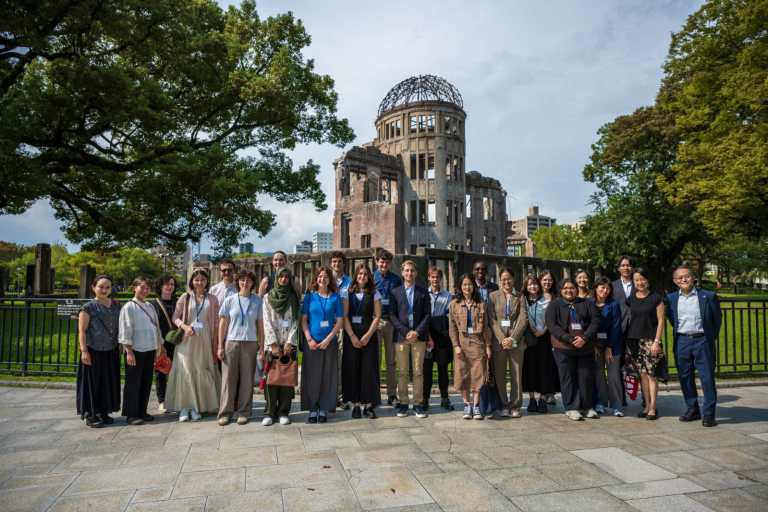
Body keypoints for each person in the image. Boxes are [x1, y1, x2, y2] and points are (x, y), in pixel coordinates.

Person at [667, 265, 722, 427]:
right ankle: (693, 409)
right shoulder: (671, 299)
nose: (683, 279)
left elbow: (716, 320)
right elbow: (672, 319)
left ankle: (709, 414)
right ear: (675, 281)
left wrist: (709, 337)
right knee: (685, 377)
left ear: (693, 278)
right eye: (679, 277)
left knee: (707, 378)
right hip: (682, 341)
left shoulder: (708, 296)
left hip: (702, 340)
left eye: (687, 276)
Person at [167, 269, 221, 422]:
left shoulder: (213, 299)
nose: (199, 282)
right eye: (196, 280)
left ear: (207, 282)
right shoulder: (185, 297)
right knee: (186, 371)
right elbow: (175, 317)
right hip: (186, 339)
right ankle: (184, 407)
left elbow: (216, 323)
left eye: (202, 280)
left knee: (200, 369)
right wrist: (184, 327)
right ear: (191, 281)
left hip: (204, 339)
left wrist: (215, 344)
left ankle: (197, 407)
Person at [546, 277, 600, 421]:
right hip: (563, 348)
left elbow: (595, 322)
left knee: (585, 377)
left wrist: (584, 338)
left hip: (585, 347)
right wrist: (570, 339)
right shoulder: (554, 305)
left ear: (577, 289)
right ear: (560, 291)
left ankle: (587, 407)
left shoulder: (587, 303)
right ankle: (571, 408)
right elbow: (552, 326)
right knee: (568, 378)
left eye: (571, 288)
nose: (569, 291)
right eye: (565, 288)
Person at [217, 271, 263, 426]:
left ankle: (244, 412)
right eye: (242, 280)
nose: (245, 283)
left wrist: (261, 346)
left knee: (247, 379)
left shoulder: (257, 301)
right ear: (238, 282)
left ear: (252, 283)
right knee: (228, 379)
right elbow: (223, 323)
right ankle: (225, 412)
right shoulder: (230, 300)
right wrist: (220, 345)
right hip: (231, 342)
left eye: (248, 280)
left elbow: (260, 326)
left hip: (250, 343)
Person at [118, 276, 165, 426]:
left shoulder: (150, 306)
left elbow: (156, 328)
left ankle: (142, 411)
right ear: (135, 288)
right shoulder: (129, 307)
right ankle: (131, 414)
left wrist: (160, 345)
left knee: (145, 381)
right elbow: (125, 330)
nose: (145, 290)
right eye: (142, 287)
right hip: (136, 349)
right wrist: (129, 351)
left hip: (150, 348)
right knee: (133, 382)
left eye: (147, 288)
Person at [77, 275, 121, 428]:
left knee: (107, 382)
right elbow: (82, 331)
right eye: (101, 286)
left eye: (107, 287)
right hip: (93, 350)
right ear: (93, 287)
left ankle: (104, 411)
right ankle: (91, 413)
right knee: (92, 383)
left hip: (110, 350)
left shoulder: (116, 305)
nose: (104, 290)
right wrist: (84, 351)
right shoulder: (88, 307)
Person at [301, 266, 344, 423]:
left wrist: (328, 339)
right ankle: (313, 409)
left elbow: (339, 321)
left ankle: (324, 408)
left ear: (329, 280)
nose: (322, 279)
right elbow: (304, 320)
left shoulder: (335, 298)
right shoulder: (309, 297)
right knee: (312, 376)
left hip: (329, 343)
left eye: (325, 277)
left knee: (327, 376)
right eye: (320, 276)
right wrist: (309, 339)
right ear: (316, 279)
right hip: (312, 343)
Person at [389, 260, 431, 418]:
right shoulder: (395, 292)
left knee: (418, 372)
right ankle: (404, 403)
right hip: (401, 337)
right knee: (402, 372)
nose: (409, 273)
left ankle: (418, 403)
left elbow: (427, 315)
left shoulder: (423, 292)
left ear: (416, 273)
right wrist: (406, 331)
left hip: (418, 337)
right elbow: (392, 315)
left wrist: (417, 332)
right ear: (402, 272)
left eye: (412, 271)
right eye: (406, 271)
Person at [449, 274, 493, 420]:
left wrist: (488, 345)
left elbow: (487, 327)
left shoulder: (481, 303)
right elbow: (452, 327)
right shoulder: (454, 304)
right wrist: (456, 345)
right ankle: (466, 404)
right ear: (460, 287)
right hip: (462, 343)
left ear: (473, 286)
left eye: (469, 284)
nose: (467, 287)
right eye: (464, 285)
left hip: (478, 342)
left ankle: (476, 405)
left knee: (478, 374)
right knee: (463, 375)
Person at [342, 264, 382, 419]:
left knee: (368, 370)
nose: (362, 277)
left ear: (369, 277)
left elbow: (377, 316)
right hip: (351, 335)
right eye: (360, 274)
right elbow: (344, 316)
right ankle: (356, 404)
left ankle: (369, 405)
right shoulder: (347, 292)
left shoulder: (374, 293)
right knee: (353, 369)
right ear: (355, 276)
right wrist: (352, 336)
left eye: (365, 274)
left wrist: (367, 335)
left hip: (368, 336)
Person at [626, 267, 666, 420]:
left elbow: (661, 321)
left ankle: (653, 408)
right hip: (634, 340)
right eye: (636, 280)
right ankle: (647, 405)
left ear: (647, 280)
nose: (640, 282)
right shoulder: (631, 299)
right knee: (642, 375)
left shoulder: (656, 298)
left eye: (642, 279)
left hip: (650, 341)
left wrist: (656, 342)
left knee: (652, 376)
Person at [262, 267, 300, 426]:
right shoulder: (267, 297)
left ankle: (284, 411)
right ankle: (270, 412)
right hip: (273, 345)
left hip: (288, 345)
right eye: (281, 277)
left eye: (286, 277)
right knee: (272, 379)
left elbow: (296, 320)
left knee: (286, 377)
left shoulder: (293, 298)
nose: (284, 280)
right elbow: (266, 321)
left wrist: (290, 342)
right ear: (276, 278)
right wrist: (273, 344)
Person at [488, 268, 529, 417]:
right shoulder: (493, 297)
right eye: (503, 279)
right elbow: (491, 320)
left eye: (509, 278)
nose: (507, 282)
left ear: (513, 279)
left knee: (516, 374)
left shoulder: (520, 296)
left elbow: (523, 318)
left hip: (515, 342)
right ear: (500, 280)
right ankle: (504, 404)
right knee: (500, 375)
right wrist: (502, 339)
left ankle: (515, 405)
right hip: (499, 343)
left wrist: (512, 338)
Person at [522, 272, 560, 412]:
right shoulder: (523, 300)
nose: (533, 286)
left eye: (534, 284)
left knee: (544, 368)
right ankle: (531, 399)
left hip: (544, 337)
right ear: (526, 286)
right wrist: (532, 329)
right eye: (530, 284)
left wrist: (542, 331)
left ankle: (543, 398)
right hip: (529, 338)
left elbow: (550, 319)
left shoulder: (545, 300)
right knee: (530, 368)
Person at [589, 276, 624, 416]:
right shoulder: (589, 303)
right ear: (596, 288)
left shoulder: (614, 304)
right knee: (598, 375)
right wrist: (593, 344)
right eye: (602, 287)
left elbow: (616, 327)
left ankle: (617, 405)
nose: (605, 290)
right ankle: (600, 403)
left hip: (612, 345)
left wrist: (609, 347)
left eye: (608, 288)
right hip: (594, 345)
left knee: (613, 375)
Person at [422, 267, 454, 412]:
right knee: (426, 369)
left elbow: (449, 315)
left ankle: (444, 398)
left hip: (441, 334)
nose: (435, 280)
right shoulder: (424, 294)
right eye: (432, 277)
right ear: (429, 278)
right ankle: (425, 399)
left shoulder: (448, 296)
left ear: (441, 279)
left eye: (437, 277)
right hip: (428, 333)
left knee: (443, 369)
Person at [373, 249, 403, 405]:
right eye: (381, 261)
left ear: (390, 263)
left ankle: (392, 394)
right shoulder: (371, 278)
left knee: (391, 361)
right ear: (377, 261)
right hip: (375, 322)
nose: (384, 264)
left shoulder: (396, 280)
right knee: (375, 360)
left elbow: (400, 301)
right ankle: (375, 394)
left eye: (386, 262)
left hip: (391, 322)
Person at [152, 275, 178, 414]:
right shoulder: (154, 304)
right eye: (166, 284)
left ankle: (174, 398)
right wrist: (159, 345)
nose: (169, 287)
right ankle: (162, 401)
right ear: (160, 286)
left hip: (177, 342)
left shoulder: (178, 301)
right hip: (161, 343)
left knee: (177, 372)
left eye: (172, 284)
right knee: (161, 372)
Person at [330, 251, 352, 410]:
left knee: (343, 359)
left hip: (344, 325)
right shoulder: (325, 280)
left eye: (339, 261)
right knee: (330, 360)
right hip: (328, 326)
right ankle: (330, 395)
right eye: (334, 261)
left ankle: (341, 395)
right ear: (331, 264)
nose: (337, 264)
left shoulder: (350, 282)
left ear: (344, 263)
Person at [612, 256, 635, 335]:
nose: (626, 268)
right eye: (623, 265)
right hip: (618, 326)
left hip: (636, 326)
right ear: (618, 268)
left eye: (628, 265)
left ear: (632, 268)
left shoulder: (638, 285)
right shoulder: (612, 286)